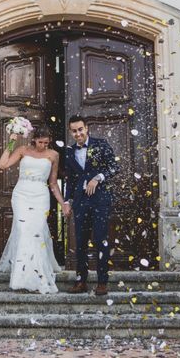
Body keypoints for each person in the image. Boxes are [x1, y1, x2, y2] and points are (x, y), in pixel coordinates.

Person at [0, 125, 64, 294]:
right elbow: (2, 164)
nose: (43, 146)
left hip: (41, 195)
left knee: (36, 232)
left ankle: (38, 275)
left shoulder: (53, 155)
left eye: (47, 143)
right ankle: (21, 277)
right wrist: (11, 143)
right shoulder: (23, 150)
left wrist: (63, 203)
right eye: (41, 142)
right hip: (21, 195)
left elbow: (53, 183)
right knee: (24, 229)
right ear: (34, 139)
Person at [64, 115, 119, 296]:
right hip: (80, 202)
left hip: (99, 200)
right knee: (80, 242)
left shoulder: (101, 144)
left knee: (101, 239)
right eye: (74, 131)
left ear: (86, 128)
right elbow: (70, 180)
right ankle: (81, 281)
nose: (78, 133)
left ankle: (102, 282)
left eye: (80, 129)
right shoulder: (69, 152)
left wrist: (98, 177)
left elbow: (114, 167)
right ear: (71, 132)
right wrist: (67, 201)